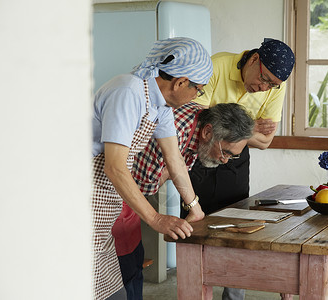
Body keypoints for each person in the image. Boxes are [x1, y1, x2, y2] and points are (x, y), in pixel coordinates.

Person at [91, 37, 213, 300]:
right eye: (198, 90)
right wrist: (157, 219)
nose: (197, 97)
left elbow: (175, 159)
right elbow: (114, 166)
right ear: (180, 82)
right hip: (79, 200)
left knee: (109, 292)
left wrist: (195, 208)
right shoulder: (128, 93)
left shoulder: (160, 105)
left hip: (103, 206)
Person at [188, 38, 295, 300]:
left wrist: (231, 129)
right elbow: (197, 127)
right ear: (254, 59)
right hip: (199, 156)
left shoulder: (275, 87)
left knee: (237, 231)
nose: (264, 88)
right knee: (197, 230)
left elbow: (266, 142)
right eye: (264, 79)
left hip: (237, 162)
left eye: (272, 85)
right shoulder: (215, 66)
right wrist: (250, 128)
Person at [113, 102, 254, 298]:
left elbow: (174, 167)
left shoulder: (199, 122)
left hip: (129, 197)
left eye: (232, 157)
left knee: (135, 265)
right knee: (123, 274)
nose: (224, 161)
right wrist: (157, 217)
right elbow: (143, 182)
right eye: (226, 153)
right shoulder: (176, 129)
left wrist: (195, 208)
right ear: (207, 132)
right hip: (112, 195)